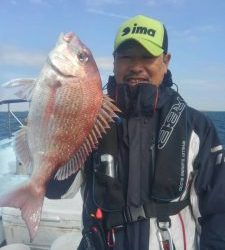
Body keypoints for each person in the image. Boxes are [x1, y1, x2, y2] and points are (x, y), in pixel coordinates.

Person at [46, 15, 225, 250]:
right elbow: (55, 189)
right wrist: (57, 124)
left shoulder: (197, 126)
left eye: (147, 57)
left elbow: (217, 213)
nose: (136, 66)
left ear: (165, 60)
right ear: (114, 61)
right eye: (126, 56)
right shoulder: (91, 119)